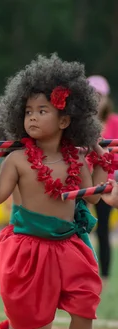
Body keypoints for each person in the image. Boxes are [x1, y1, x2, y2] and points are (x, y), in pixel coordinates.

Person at [0, 54, 108, 329]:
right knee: (25, 313)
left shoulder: (75, 157)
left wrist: (101, 159)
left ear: (64, 120)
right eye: (28, 111)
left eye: (42, 111)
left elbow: (93, 197)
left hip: (70, 245)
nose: (32, 117)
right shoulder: (17, 159)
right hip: (28, 245)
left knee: (84, 305)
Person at [88, 75, 118, 283]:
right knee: (74, 227)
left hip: (106, 183)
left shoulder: (114, 122)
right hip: (80, 181)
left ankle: (104, 276)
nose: (96, 100)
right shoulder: (78, 125)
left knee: (103, 231)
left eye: (99, 96)